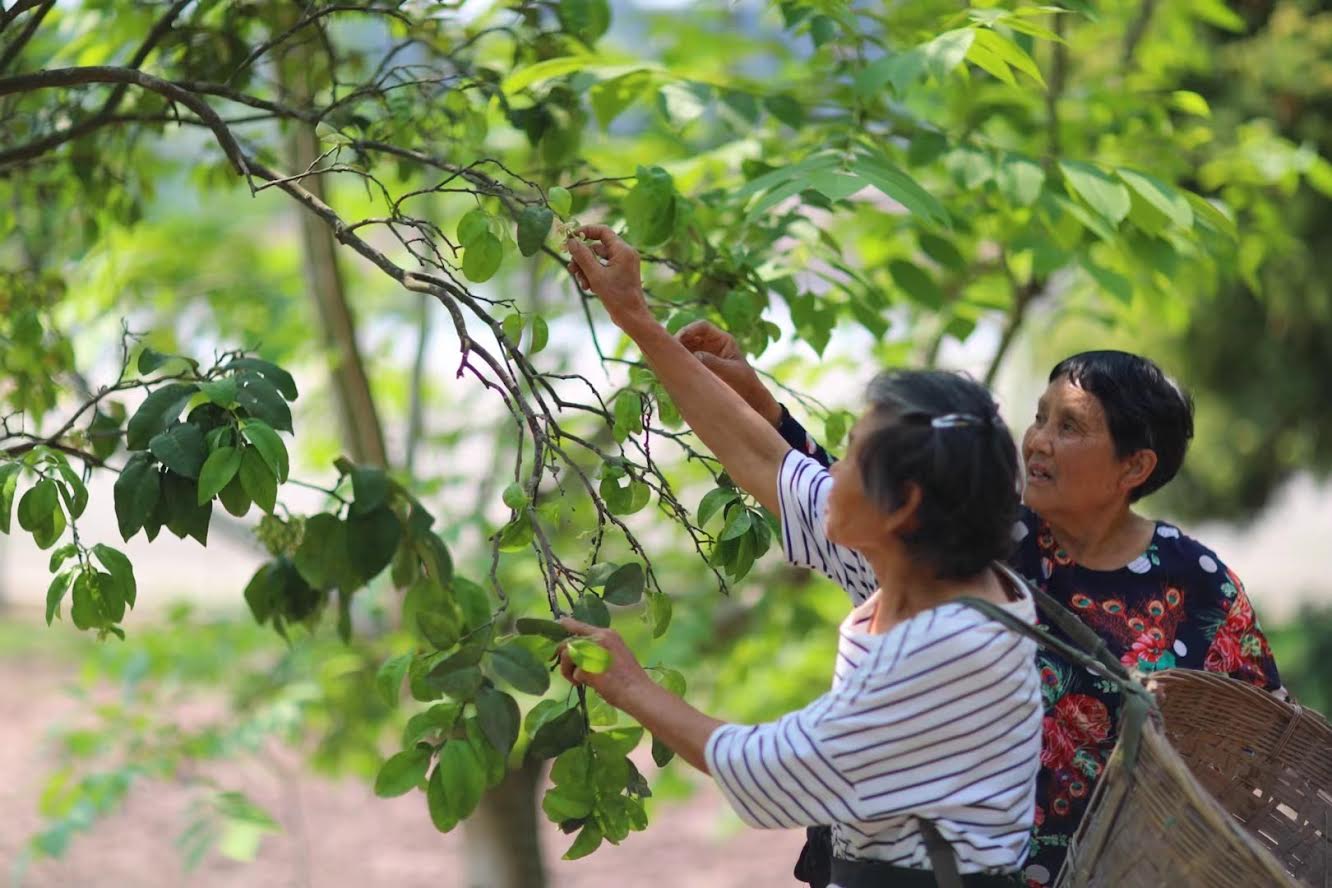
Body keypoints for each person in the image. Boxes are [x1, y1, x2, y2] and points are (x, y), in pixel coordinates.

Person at [666, 322, 1286, 885]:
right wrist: (756, 400)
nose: (1038, 442)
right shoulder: (983, 537)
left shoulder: (1196, 581)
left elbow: (1262, 744)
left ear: (1135, 466)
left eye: (1068, 427)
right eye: (1040, 418)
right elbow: (852, 493)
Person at [561, 226, 1043, 886]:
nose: (826, 468)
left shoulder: (948, 643)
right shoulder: (918, 566)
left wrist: (628, 686)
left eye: (848, 457)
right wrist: (637, 318)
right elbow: (762, 456)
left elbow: (776, 767)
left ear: (902, 505)